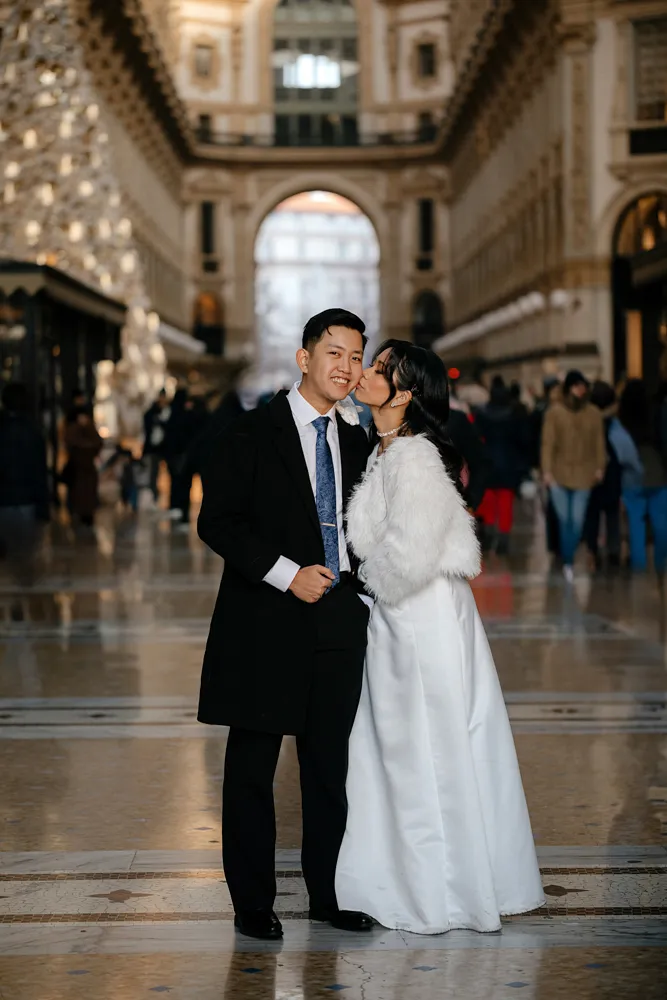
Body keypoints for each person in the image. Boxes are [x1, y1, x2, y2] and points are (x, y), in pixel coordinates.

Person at [335, 341, 544, 934]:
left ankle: (438, 888)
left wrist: (361, 589)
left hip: (417, 617)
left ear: (404, 393)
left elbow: (410, 554)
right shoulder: (389, 450)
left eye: (378, 369)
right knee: (411, 746)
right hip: (408, 617)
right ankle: (418, 876)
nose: (364, 373)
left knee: (422, 748)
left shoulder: (413, 458)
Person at [197, 308, 372, 941]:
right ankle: (252, 903)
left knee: (328, 767)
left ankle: (327, 894)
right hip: (265, 619)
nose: (345, 368)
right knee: (253, 767)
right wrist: (284, 572)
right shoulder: (252, 432)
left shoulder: (357, 442)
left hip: (338, 621)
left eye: (355, 357)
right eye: (334, 353)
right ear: (305, 358)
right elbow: (217, 521)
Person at [541, 370, 606, 582]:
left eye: (583, 385)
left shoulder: (594, 413)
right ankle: (568, 562)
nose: (581, 389)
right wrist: (547, 471)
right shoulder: (555, 413)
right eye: (577, 385)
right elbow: (548, 443)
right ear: (569, 388)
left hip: (585, 475)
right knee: (564, 520)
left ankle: (568, 560)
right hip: (559, 475)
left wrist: (599, 467)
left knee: (576, 521)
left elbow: (599, 442)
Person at [0, 383, 50, 617]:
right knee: (24, 558)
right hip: (26, 504)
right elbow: (40, 473)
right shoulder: (33, 433)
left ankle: (9, 602)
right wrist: (43, 508)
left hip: (3, 502)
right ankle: (20, 604)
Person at [615, 379, 667, 574]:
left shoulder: (621, 420)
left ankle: (639, 567)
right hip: (656, 472)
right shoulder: (655, 413)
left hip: (631, 475)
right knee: (661, 522)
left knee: (636, 523)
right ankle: (661, 563)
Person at [476, 376, 530, 554]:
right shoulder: (513, 415)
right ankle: (504, 538)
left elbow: (478, 439)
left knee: (489, 501)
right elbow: (522, 441)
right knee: (505, 502)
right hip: (508, 464)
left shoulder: (482, 414)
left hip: (488, 463)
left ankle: (490, 534)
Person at [584, 382, 622, 571]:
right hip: (613, 473)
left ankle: (593, 551)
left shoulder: (587, 420)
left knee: (593, 515)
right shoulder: (614, 423)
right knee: (612, 513)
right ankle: (614, 551)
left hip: (592, 473)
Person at [64, 406, 102, 528]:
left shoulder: (89, 429)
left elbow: (97, 443)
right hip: (78, 468)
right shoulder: (73, 430)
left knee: (87, 494)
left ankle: (87, 515)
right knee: (79, 493)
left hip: (87, 469)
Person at [142, 389, 170, 503]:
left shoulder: (167, 412)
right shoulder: (152, 413)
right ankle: (154, 496)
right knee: (153, 473)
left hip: (164, 448)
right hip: (153, 449)